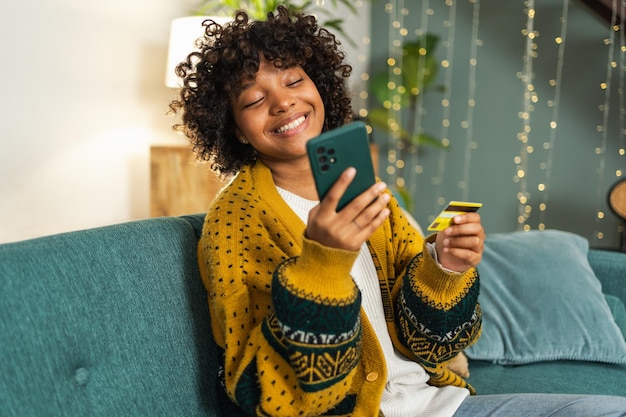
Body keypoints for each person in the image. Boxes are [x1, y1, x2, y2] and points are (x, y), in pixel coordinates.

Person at [170, 7, 626, 417]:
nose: (283, 101)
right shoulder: (234, 224)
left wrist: (443, 267)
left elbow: (435, 341)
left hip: (442, 405)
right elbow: (272, 397)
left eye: (294, 80)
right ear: (236, 132)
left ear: (319, 86)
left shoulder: (366, 192)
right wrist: (323, 264)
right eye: (253, 99)